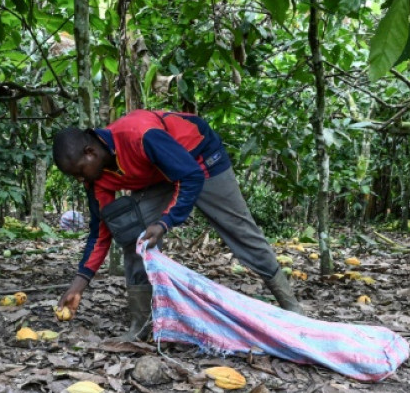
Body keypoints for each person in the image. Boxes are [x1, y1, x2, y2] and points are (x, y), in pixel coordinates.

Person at [52, 109, 303, 341]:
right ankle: (140, 324)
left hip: (201, 159)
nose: (79, 179)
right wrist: (78, 285)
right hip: (160, 175)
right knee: (134, 233)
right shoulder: (96, 178)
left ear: (90, 153)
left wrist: (165, 221)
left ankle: (292, 307)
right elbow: (101, 230)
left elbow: (190, 174)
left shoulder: (139, 135)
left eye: (79, 172)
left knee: (240, 231)